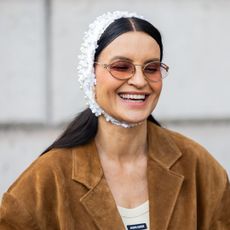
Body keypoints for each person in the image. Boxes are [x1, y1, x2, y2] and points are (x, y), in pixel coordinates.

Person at [0, 11, 229, 230]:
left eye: (151, 68)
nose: (139, 81)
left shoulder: (197, 165)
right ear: (91, 74)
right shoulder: (45, 180)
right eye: (121, 67)